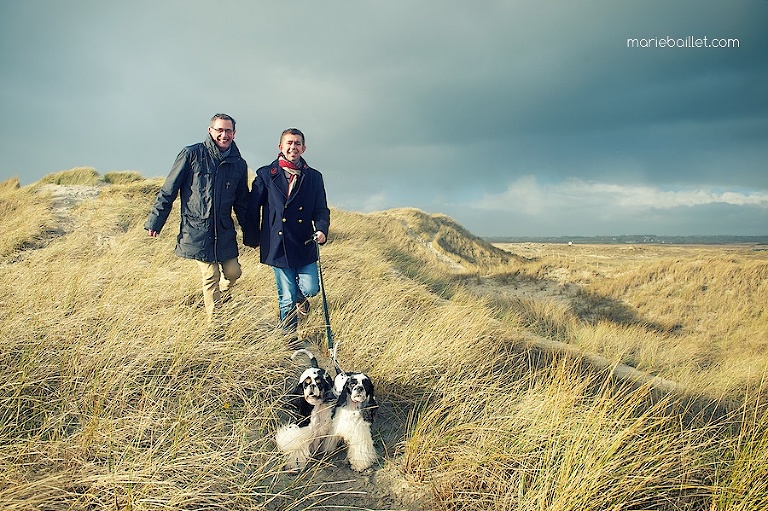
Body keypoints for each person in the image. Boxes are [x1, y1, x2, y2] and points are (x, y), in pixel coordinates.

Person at [144, 113, 249, 323]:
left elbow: (242, 203)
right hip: (197, 230)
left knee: (233, 273)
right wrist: (156, 221)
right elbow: (169, 190)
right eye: (219, 130)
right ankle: (215, 325)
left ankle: (223, 296)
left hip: (224, 231)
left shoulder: (238, 164)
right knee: (211, 276)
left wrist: (252, 234)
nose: (224, 135)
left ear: (234, 133)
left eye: (228, 131)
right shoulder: (192, 154)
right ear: (210, 131)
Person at [244, 128, 330, 343]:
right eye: (289, 143)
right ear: (280, 147)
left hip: (304, 241)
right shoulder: (265, 174)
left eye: (298, 143)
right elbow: (253, 208)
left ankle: (302, 298)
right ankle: (288, 338)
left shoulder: (314, 177)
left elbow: (321, 209)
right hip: (278, 243)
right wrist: (253, 238)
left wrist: (321, 229)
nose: (293, 147)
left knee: (311, 289)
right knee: (286, 297)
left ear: (304, 148)